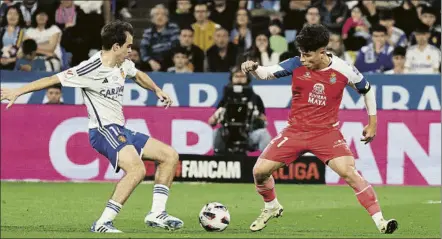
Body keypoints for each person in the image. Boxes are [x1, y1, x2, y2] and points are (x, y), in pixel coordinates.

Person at [1, 20, 183, 233]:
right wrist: (17, 92)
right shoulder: (90, 68)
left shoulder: (122, 63)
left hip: (120, 129)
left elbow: (138, 75)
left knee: (170, 156)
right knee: (137, 169)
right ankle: (103, 222)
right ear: (116, 47)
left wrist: (157, 90)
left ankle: (157, 213)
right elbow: (51, 79)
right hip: (103, 131)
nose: (131, 50)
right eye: (128, 46)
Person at [241, 24, 398, 234]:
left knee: (349, 173)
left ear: (322, 51)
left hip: (326, 134)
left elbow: (366, 90)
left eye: (307, 55)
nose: (303, 59)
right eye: (301, 54)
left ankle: (381, 222)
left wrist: (373, 123)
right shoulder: (296, 63)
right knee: (259, 171)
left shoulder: (343, 69)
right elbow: (267, 73)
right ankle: (271, 206)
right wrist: (254, 67)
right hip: (295, 131)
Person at [208, 66, 271, 154]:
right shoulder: (226, 98)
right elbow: (211, 121)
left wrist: (257, 117)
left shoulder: (255, 98)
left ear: (247, 79)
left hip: (248, 134)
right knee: (216, 132)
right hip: (228, 134)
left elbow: (264, 121)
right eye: (236, 76)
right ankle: (218, 161)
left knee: (263, 134)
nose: (239, 79)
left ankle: (266, 164)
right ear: (231, 79)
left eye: (242, 76)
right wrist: (216, 116)